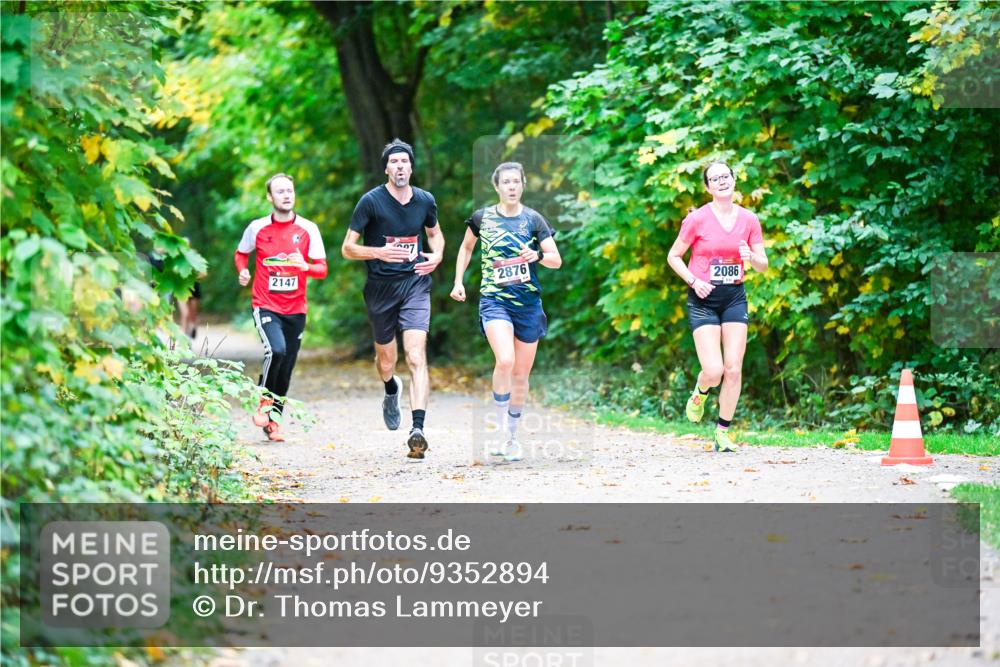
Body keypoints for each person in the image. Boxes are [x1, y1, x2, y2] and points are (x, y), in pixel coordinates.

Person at [450, 162, 562, 461]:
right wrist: (458, 281)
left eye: (516, 181)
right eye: (506, 182)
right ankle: (500, 429)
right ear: (497, 187)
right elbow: (465, 249)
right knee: (505, 360)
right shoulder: (482, 218)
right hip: (494, 301)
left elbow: (556, 259)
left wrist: (537, 255)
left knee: (522, 376)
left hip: (527, 305)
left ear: (523, 185)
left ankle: (512, 436)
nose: (512, 186)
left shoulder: (533, 219)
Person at [342, 139, 444, 460]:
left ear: (411, 167)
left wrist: (437, 255)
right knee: (387, 362)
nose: (400, 166)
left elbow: (435, 234)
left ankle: (418, 429)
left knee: (415, 356)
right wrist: (378, 252)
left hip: (415, 284)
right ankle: (390, 390)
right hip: (380, 289)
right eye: (394, 162)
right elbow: (347, 248)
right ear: (386, 168)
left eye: (405, 162)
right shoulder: (370, 202)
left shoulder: (425, 201)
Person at [667, 161, 768, 452]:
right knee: (713, 370)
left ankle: (723, 431)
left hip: (734, 297)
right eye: (715, 178)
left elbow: (763, 265)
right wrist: (692, 280)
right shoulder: (697, 219)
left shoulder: (749, 219)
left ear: (734, 180)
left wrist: (751, 256)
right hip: (703, 299)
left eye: (726, 176)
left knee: (733, 369)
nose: (722, 181)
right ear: (708, 187)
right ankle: (700, 392)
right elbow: (674, 256)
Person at [235, 173, 328, 442]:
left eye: (290, 190)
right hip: (265, 304)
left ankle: (274, 422)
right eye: (280, 191)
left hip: (296, 309)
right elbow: (241, 253)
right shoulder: (257, 228)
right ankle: (263, 398)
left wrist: (306, 267)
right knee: (276, 350)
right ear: (270, 197)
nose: (286, 195)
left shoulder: (309, 229)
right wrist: (243, 271)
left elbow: (322, 269)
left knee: (286, 367)